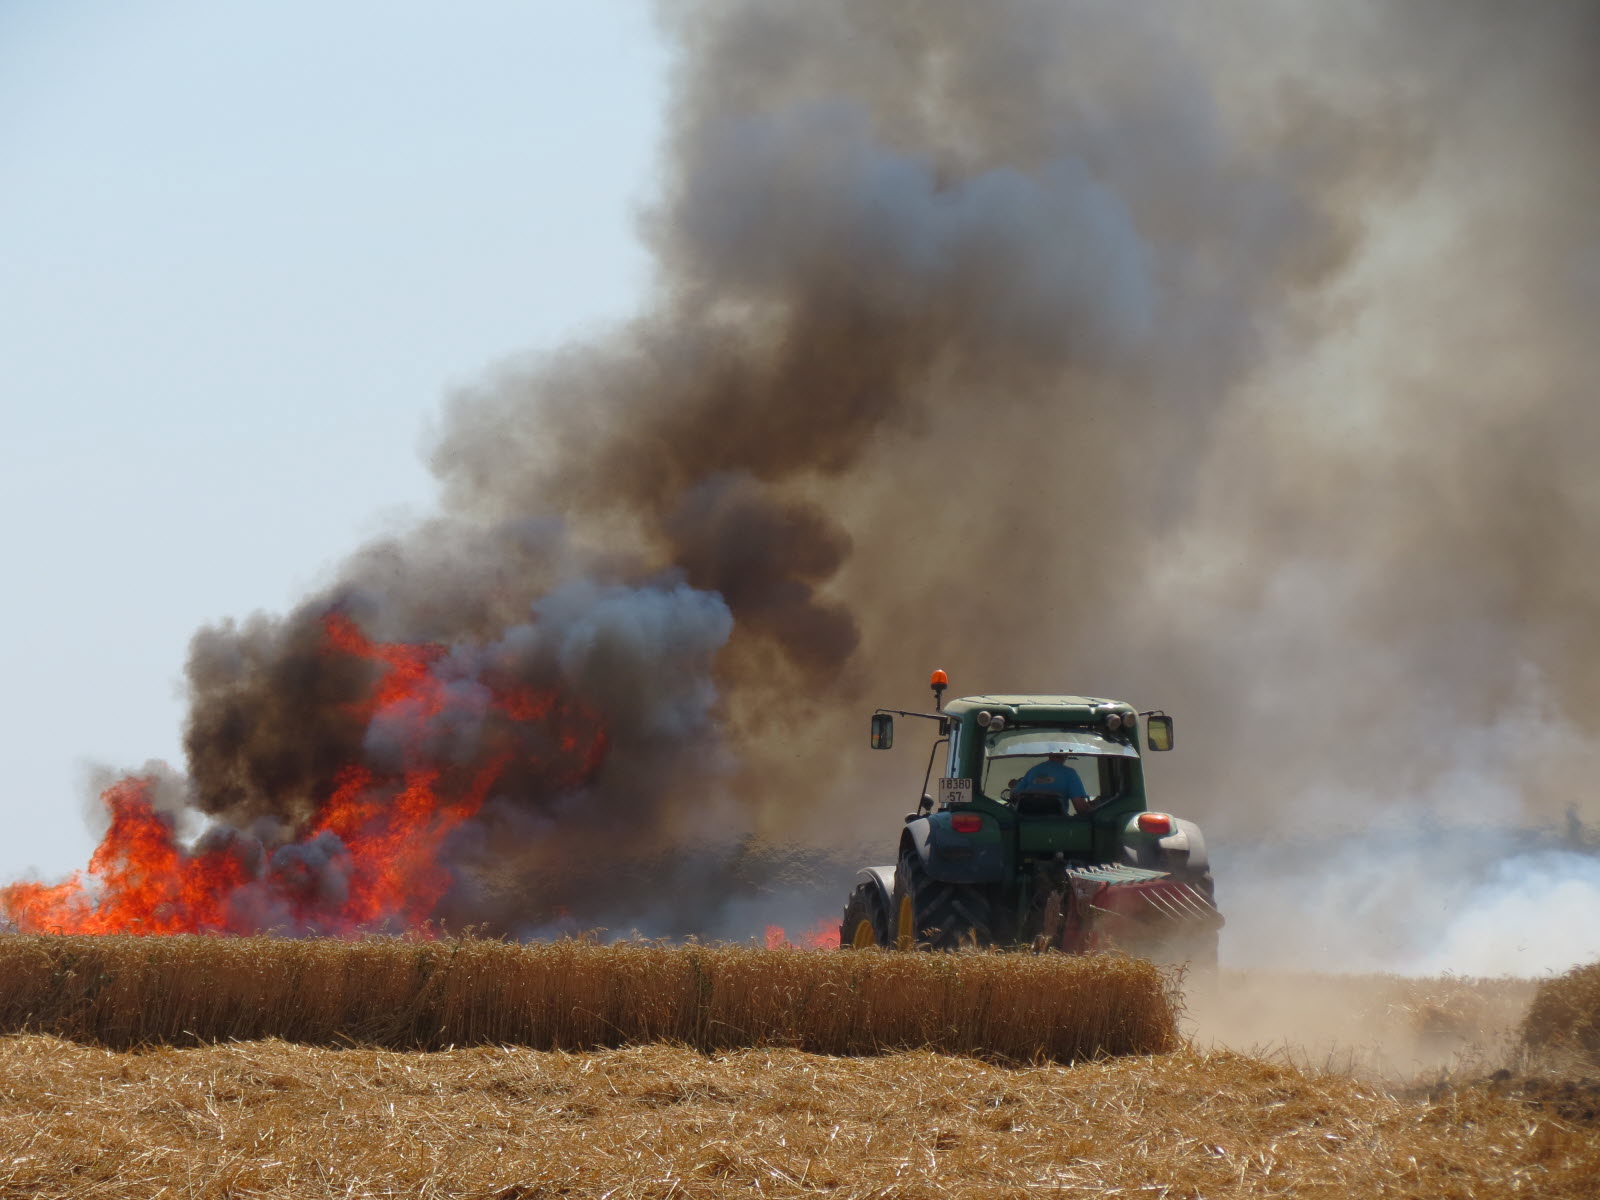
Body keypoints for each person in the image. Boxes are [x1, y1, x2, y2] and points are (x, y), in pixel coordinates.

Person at [1012, 752, 1090, 812]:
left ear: (1049, 753)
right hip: (1058, 824)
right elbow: (1081, 808)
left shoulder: (1032, 771)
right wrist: (1094, 808)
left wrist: (1014, 786)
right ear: (1066, 754)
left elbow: (1014, 797)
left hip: (1027, 824)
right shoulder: (1069, 773)